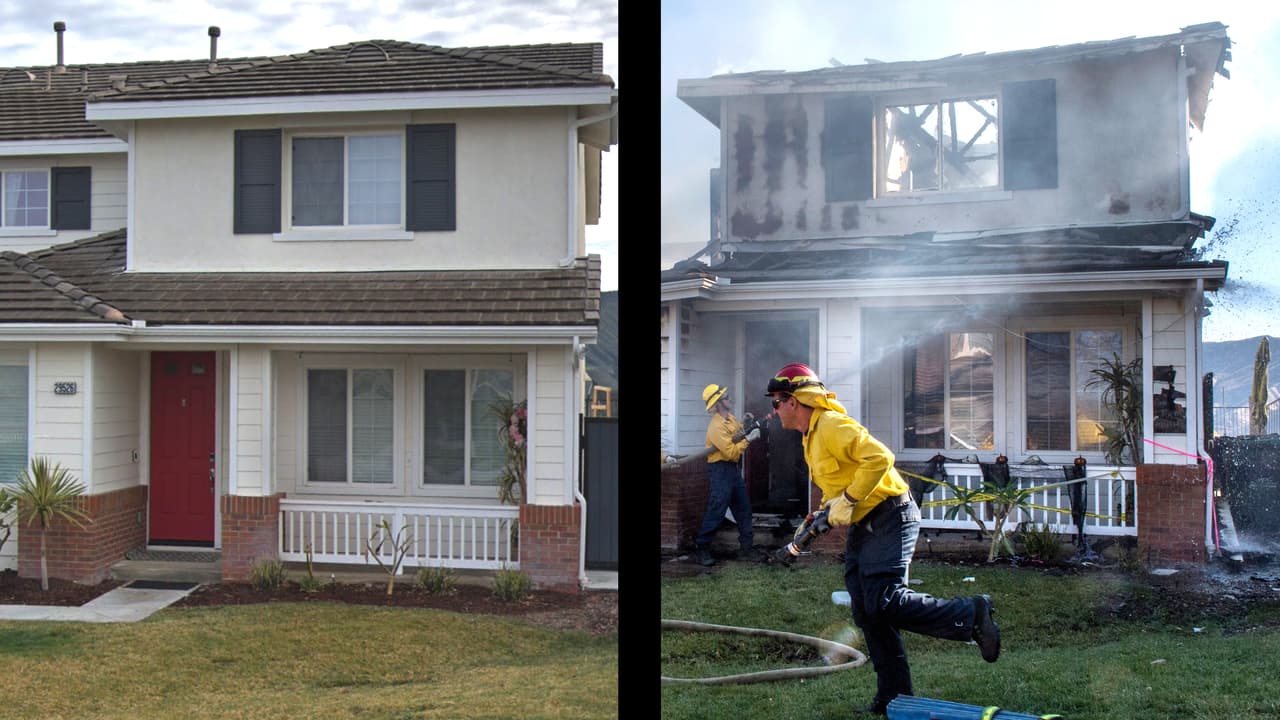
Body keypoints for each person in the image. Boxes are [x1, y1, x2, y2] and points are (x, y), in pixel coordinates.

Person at [764, 363, 1000, 716]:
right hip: (867, 523)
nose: (774, 410)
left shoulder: (830, 424)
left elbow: (879, 458)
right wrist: (825, 510)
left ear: (794, 400)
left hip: (891, 515)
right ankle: (894, 698)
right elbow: (842, 480)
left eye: (776, 402)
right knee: (867, 611)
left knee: (884, 601)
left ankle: (971, 614)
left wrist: (849, 501)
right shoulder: (811, 436)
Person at [693, 383, 764, 566]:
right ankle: (702, 548)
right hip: (720, 470)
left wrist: (744, 423)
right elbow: (731, 452)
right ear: (718, 404)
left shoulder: (730, 418)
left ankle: (746, 549)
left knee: (743, 508)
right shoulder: (715, 427)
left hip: (731, 471)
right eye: (726, 398)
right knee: (717, 510)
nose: (729, 399)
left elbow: (735, 434)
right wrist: (749, 439)